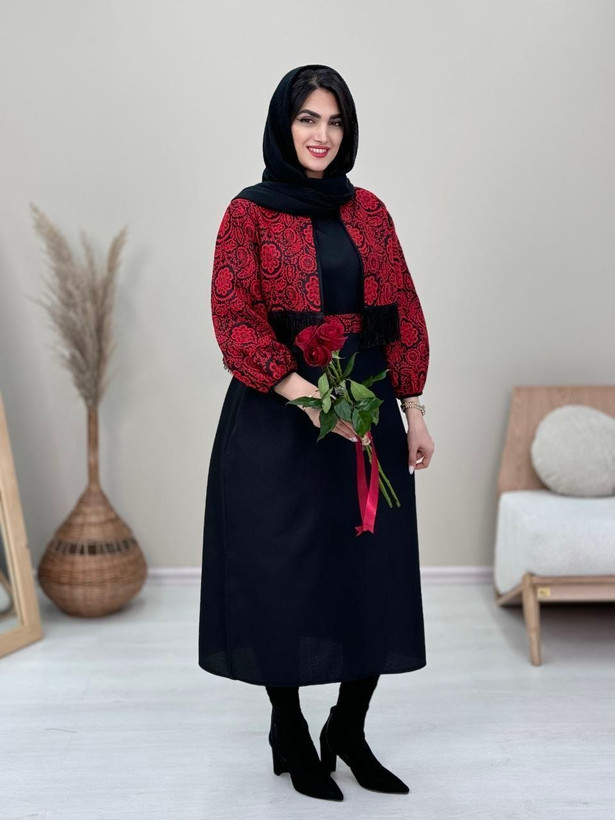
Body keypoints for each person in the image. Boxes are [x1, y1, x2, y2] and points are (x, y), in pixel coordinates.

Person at [198, 63, 435, 802]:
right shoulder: (247, 213)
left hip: (365, 416)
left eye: (334, 121)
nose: (321, 135)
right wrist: (301, 392)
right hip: (278, 418)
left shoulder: (370, 211)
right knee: (282, 576)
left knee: (371, 573)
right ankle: (290, 730)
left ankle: (348, 730)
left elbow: (401, 307)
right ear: (284, 125)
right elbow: (233, 315)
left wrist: (414, 408)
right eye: (307, 119)